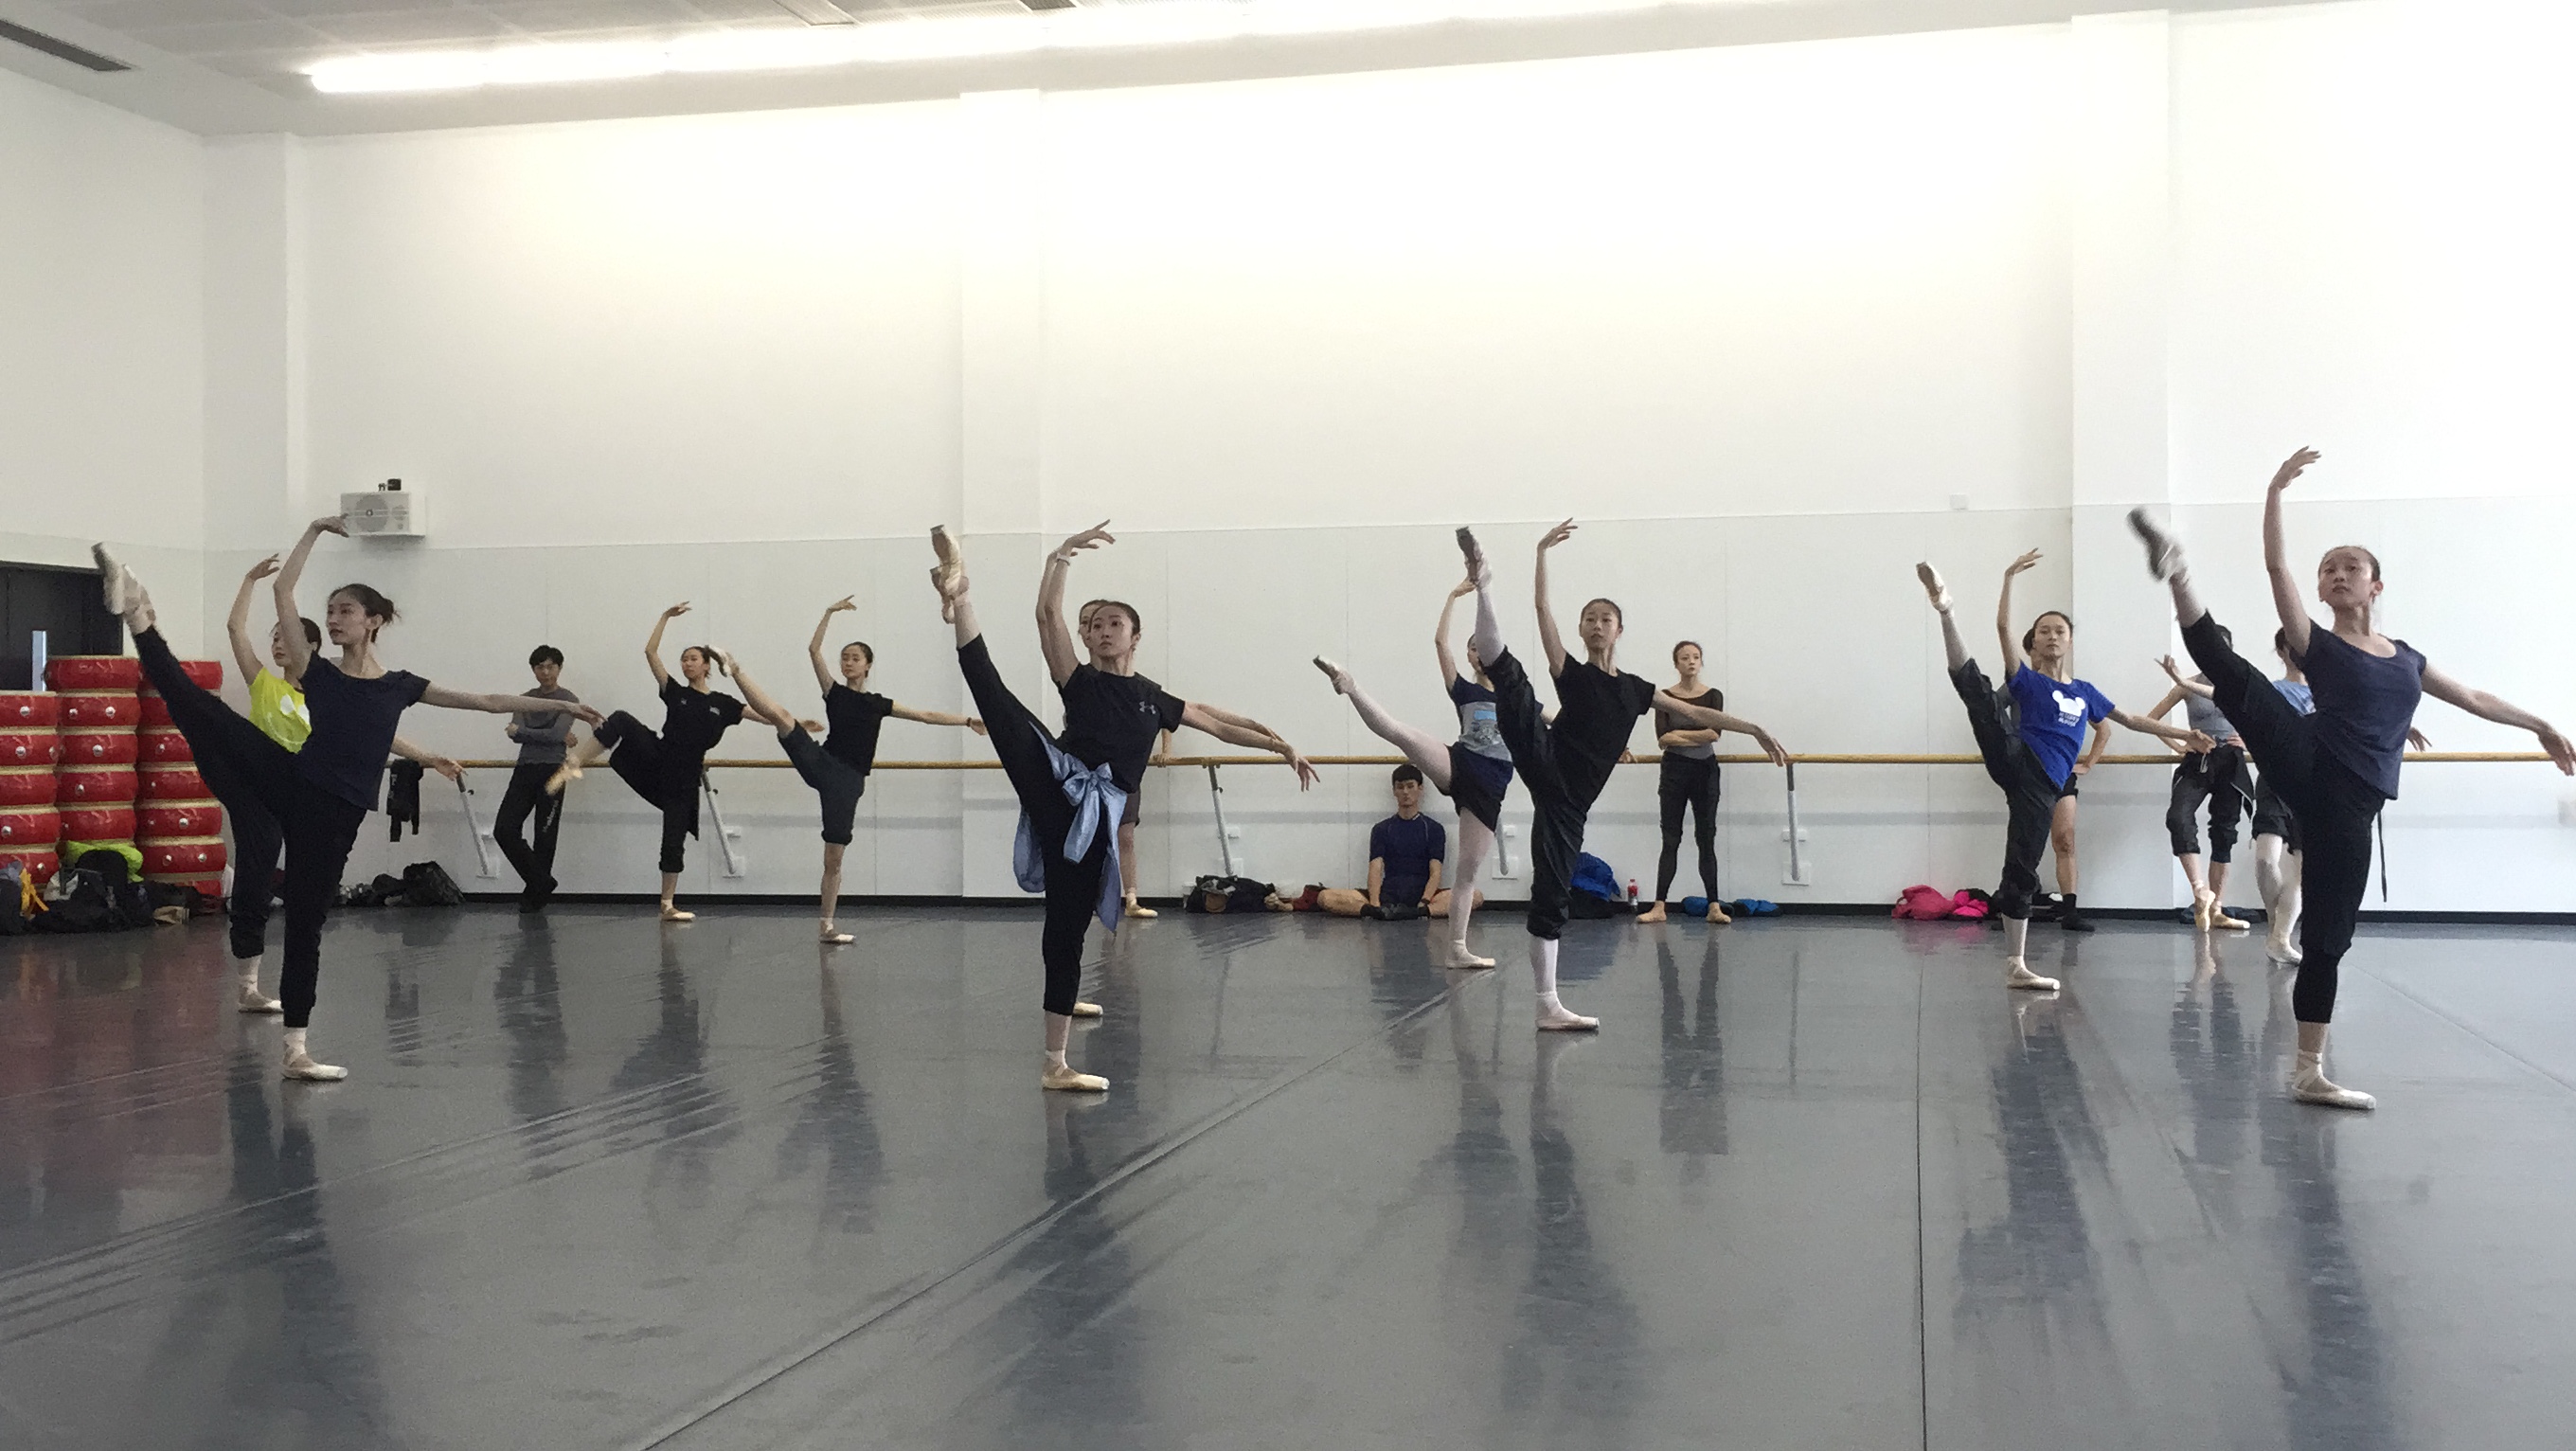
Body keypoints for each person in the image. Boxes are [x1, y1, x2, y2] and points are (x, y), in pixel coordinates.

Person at [2128, 447, 2568, 1108]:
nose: (2337, 574)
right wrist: (2274, 492)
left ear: (2375, 587)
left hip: (2351, 804)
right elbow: (2276, 567)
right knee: (2231, 670)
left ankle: (2308, 1070)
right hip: (2309, 757)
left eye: (2350, 567)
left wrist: (2540, 724)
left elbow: (2474, 697)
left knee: (2329, 939)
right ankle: (2178, 571)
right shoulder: (2318, 643)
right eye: (2328, 569)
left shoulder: (2408, 659)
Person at [99, 525, 601, 1080]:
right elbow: (283, 591)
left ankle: (295, 1050)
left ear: (374, 621)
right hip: (293, 780)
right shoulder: (316, 672)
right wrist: (313, 530)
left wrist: (566, 709)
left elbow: (484, 701)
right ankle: (139, 617)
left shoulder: (400, 685)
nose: (334, 619)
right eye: (330, 611)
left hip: (334, 818)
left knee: (305, 926)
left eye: (345, 611)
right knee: (203, 711)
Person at [931, 521, 1320, 1091]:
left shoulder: (1152, 698)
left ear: (1136, 637)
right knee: (997, 700)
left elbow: (1216, 723)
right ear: (1088, 639)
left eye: (1116, 623)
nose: (1105, 630)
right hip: (1058, 781)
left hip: (1095, 820)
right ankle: (961, 597)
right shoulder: (1079, 680)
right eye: (1097, 625)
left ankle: (1058, 1036)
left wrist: (1279, 744)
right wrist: (1060, 557)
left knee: (1069, 924)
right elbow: (1046, 616)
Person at [1456, 521, 1789, 1030]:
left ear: (1618, 630)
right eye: (1588, 618)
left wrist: (1753, 727)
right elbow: (1542, 611)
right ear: (1581, 629)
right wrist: (1541, 554)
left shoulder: (1636, 689)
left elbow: (1696, 712)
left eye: (1605, 618)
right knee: (1511, 678)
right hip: (1545, 757)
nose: (1596, 624)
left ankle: (1548, 1006)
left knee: (1552, 895)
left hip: (1569, 802)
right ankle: (1484, 582)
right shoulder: (1571, 672)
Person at [1913, 550, 2211, 993]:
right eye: (2044, 631)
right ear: (2033, 643)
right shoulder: (2027, 679)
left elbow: (2131, 720)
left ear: (2069, 641)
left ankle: (2016, 964)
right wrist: (2008, 577)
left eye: (2060, 631)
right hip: (2016, 756)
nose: (2052, 636)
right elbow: (2002, 629)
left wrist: (2184, 734)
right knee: (1980, 696)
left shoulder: (2085, 691)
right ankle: (1945, 608)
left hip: (2045, 783)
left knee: (2023, 864)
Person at [214, 555, 461, 1008]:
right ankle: (248, 982)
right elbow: (235, 630)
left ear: (309, 646)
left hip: (310, 795)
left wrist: (426, 756)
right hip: (266, 792)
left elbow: (377, 730)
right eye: (274, 639)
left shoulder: (326, 689)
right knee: (257, 870)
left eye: (286, 638)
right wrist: (249, 579)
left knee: (308, 893)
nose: (278, 646)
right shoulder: (266, 686)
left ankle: (293, 981)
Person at [719, 600, 986, 944]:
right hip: (821, 762)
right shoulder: (834, 693)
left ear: (868, 665)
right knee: (782, 717)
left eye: (855, 657)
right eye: (844, 657)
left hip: (847, 782)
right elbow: (814, 651)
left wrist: (967, 720)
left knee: (833, 858)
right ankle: (735, 669)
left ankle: (827, 926)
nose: (847, 662)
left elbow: (925, 715)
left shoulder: (878, 703)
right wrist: (828, 613)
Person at [1312, 576, 1508, 966]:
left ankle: (1457, 950)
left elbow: (1554, 721)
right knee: (1401, 733)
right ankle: (1349, 685)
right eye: (1472, 648)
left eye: (1483, 645)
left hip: (1491, 785)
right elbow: (1440, 644)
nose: (1478, 652)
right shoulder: (1464, 691)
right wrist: (1452, 596)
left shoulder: (1516, 696)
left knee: (1467, 873)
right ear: (1471, 656)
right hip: (1460, 763)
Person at [546, 602, 745, 923]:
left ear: (707, 665)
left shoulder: (723, 704)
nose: (687, 663)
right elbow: (651, 653)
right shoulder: (675, 693)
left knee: (673, 840)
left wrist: (793, 725)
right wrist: (665, 617)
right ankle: (574, 763)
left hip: (684, 779)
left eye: (693, 658)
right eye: (684, 659)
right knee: (621, 719)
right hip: (659, 756)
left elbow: (760, 713)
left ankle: (667, 905)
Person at [2142, 655, 2255, 932]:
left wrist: (2249, 740)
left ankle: (2217, 910)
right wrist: (2180, 744)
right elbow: (2151, 720)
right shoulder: (2187, 685)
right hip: (2199, 760)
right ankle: (2200, 891)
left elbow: (2269, 721)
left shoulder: (2242, 685)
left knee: (2224, 832)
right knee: (2178, 817)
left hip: (2231, 761)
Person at [1637, 639, 1728, 924]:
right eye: (1685, 657)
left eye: (1696, 657)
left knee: (1706, 837)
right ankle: (1659, 906)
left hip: (1705, 771)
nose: (1691, 662)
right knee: (1671, 839)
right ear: (1676, 664)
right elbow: (1663, 738)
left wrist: (1681, 735)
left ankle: (1714, 906)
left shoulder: (1713, 696)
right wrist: (1695, 734)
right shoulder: (1664, 697)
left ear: (1701, 662)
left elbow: (1715, 733)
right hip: (1675, 771)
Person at [1315, 765, 1465, 922]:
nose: (1405, 792)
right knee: (1324, 897)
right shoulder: (1382, 829)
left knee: (1475, 896)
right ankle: (1376, 912)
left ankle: (1417, 912)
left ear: (1420, 789)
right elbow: (1375, 869)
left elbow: (1435, 872)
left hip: (1422, 898)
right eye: (1400, 787)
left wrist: (1424, 901)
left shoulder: (1434, 829)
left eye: (1410, 786)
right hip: (1387, 897)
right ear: (1394, 791)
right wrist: (1375, 904)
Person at [493, 645, 579, 913]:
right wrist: (546, 734)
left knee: (545, 834)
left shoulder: (568, 699)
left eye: (550, 666)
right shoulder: (524, 699)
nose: (546, 672)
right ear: (533, 670)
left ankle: (535, 895)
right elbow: (523, 735)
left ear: (559, 668)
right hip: (525, 768)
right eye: (540, 667)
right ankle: (542, 882)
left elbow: (551, 734)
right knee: (504, 829)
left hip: (554, 770)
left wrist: (523, 731)